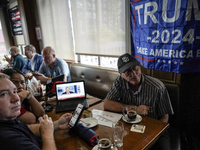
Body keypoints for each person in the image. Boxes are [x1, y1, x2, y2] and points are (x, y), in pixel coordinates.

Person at [104, 53, 174, 150]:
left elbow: (164, 117)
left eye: (135, 68)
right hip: (129, 127)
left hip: (154, 128)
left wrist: (152, 136)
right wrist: (135, 109)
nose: (133, 74)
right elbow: (107, 104)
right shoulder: (119, 82)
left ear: (140, 67)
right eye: (128, 71)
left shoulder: (157, 87)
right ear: (121, 74)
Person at [0, 73, 72, 150]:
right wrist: (47, 136)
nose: (17, 98)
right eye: (3, 94)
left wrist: (57, 124)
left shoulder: (7, 119)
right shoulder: (8, 138)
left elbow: (27, 128)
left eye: (14, 92)